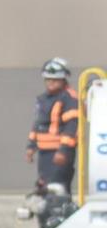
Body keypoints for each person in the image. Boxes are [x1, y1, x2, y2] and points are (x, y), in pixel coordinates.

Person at [26, 58, 79, 188]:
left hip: (59, 152)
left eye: (55, 80)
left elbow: (71, 127)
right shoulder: (43, 99)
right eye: (48, 80)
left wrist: (63, 151)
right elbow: (38, 124)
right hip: (44, 152)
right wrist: (31, 147)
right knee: (44, 186)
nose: (51, 83)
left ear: (63, 79)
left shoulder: (69, 98)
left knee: (57, 187)